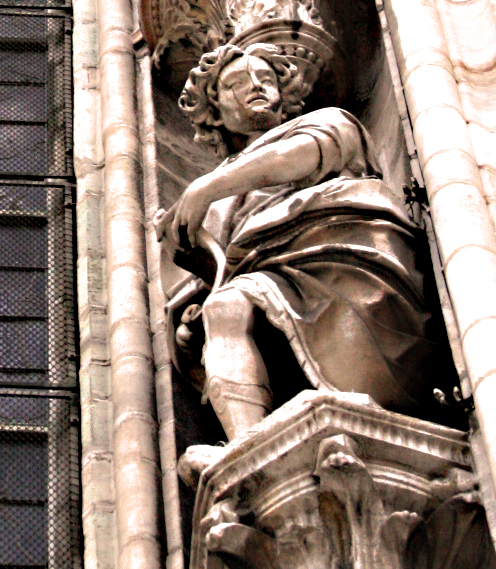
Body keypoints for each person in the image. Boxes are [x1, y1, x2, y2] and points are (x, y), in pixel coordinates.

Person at [156, 42, 432, 442]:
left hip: (345, 257)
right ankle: (245, 447)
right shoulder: (221, 193)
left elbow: (295, 157)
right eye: (236, 83)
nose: (255, 86)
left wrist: (207, 187)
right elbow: (223, 266)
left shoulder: (328, 122)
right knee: (223, 307)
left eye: (265, 79)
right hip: (270, 279)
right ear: (214, 111)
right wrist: (189, 286)